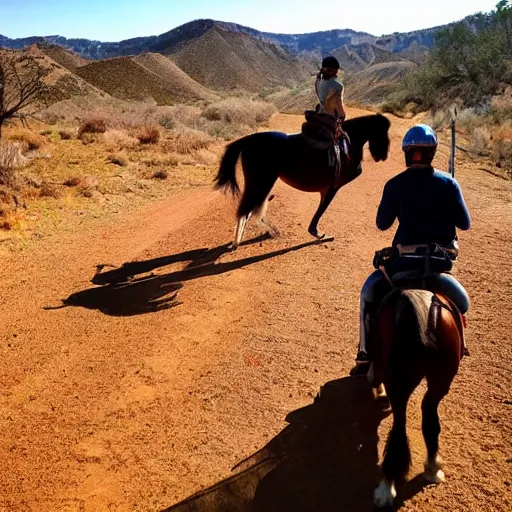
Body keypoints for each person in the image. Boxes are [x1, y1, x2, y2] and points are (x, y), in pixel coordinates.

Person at [350, 124, 471, 375]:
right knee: (462, 303)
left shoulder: (394, 184)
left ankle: (364, 352)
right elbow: (465, 224)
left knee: (367, 294)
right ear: (432, 153)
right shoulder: (448, 184)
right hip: (438, 265)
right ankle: (461, 345)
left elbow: (382, 224)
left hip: (402, 265)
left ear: (407, 152)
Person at [314, 56, 351, 166]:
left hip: (318, 116)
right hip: (329, 118)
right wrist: (342, 116)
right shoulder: (338, 85)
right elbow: (339, 106)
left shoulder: (317, 81)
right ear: (334, 70)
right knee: (343, 138)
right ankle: (343, 161)